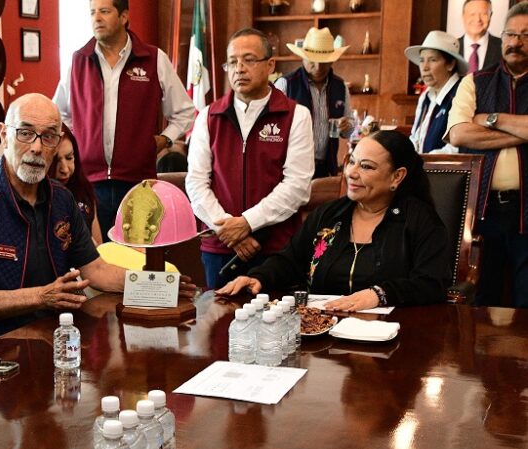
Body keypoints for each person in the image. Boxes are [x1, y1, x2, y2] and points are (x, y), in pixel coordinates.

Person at [0, 94, 135, 342]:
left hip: (56, 340)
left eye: (48, 136)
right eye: (25, 133)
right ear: (4, 135)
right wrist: (41, 297)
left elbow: (96, 269)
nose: (37, 147)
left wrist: (160, 286)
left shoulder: (62, 199)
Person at [217, 131, 451, 310]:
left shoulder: (420, 221)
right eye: (351, 161)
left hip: (392, 340)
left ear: (397, 176)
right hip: (323, 335)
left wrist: (379, 294)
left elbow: (432, 284)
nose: (351, 173)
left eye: (366, 166)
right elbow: (290, 260)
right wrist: (259, 277)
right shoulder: (329, 214)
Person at [53, 0, 195, 242]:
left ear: (124, 16)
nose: (97, 18)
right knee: (93, 254)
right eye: (92, 12)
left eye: (104, 11)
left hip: (138, 183)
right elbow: (59, 114)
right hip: (89, 182)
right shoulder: (78, 61)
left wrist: (164, 140)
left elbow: (185, 111)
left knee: (135, 255)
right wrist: (80, 142)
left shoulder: (153, 59)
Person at [185, 27, 315, 289]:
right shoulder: (208, 116)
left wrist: (247, 223)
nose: (239, 69)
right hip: (221, 248)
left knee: (276, 315)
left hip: (276, 248)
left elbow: (297, 186)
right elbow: (196, 182)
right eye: (232, 62)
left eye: (249, 60)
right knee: (218, 315)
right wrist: (228, 230)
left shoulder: (296, 115)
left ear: (270, 65)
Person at [447, 3, 528, 307]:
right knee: (482, 300)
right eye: (510, 34)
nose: (515, 42)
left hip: (527, 208)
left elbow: (473, 128)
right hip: (484, 208)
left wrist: (491, 119)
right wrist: (521, 132)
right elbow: (458, 134)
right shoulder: (475, 81)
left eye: (525, 35)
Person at [274, 27, 354, 178]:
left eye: (323, 62)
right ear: (302, 58)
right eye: (312, 61)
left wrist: (347, 126)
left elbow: (349, 129)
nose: (318, 68)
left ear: (332, 60)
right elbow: (271, 129)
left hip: (326, 169)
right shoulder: (285, 84)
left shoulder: (340, 87)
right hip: (291, 169)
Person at [405, 30, 468, 153]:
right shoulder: (425, 97)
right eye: (421, 60)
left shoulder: (462, 92)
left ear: (450, 64)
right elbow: (415, 138)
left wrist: (424, 160)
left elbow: (458, 147)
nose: (425, 67)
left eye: (432, 60)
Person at [49, 123, 103, 245]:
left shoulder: (84, 191)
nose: (65, 169)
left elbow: (99, 247)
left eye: (69, 158)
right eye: (56, 161)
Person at [458, 0, 502, 73]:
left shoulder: (503, 47)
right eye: (472, 14)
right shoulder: (451, 48)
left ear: (490, 15)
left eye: (483, 14)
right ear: (463, 16)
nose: (478, 19)